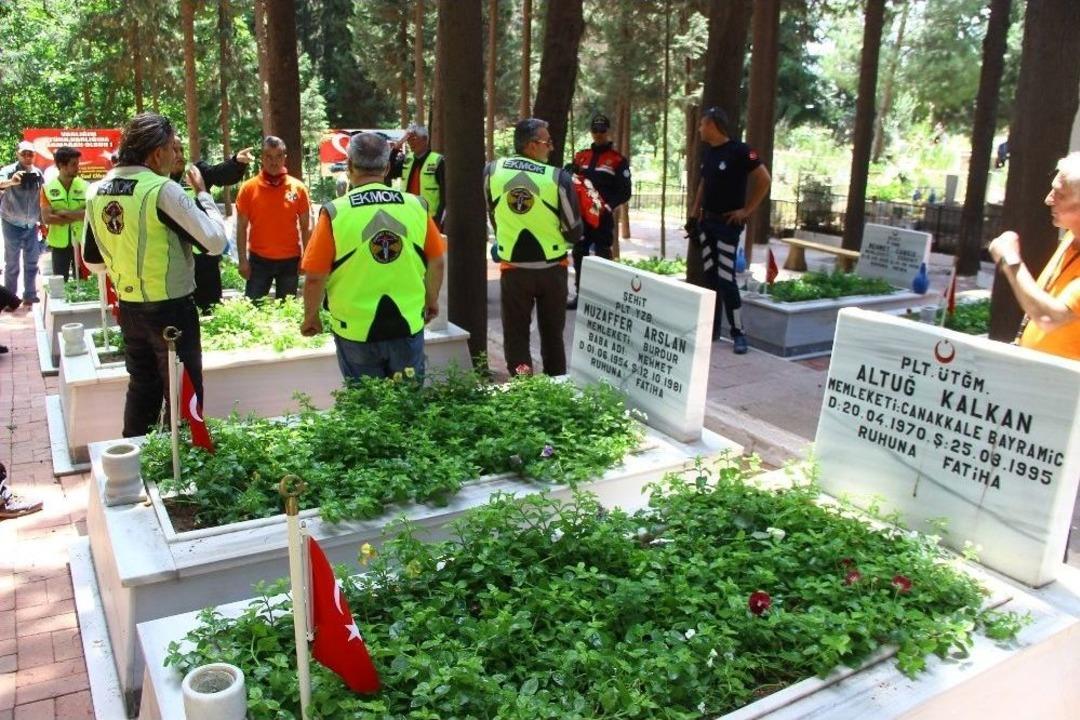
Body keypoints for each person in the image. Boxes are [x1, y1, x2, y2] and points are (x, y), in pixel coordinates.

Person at [82, 112, 227, 438]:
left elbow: (93, 261)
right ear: (156, 152)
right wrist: (203, 195)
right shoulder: (161, 190)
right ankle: (186, 462)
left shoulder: (96, 191)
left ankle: (133, 455)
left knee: (141, 385)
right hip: (171, 311)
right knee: (184, 389)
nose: (175, 155)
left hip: (129, 308)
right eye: (170, 147)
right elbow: (216, 242)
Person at [300, 132, 444, 380]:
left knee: (366, 409)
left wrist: (310, 317)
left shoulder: (335, 212)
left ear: (348, 167)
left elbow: (315, 276)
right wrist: (431, 300)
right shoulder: (417, 206)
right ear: (387, 167)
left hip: (355, 330)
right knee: (408, 406)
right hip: (407, 324)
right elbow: (437, 262)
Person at [485, 117, 583, 376]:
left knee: (515, 335)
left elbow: (494, 213)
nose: (551, 147)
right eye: (547, 142)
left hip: (513, 269)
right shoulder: (556, 177)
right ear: (531, 146)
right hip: (552, 269)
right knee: (552, 335)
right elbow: (574, 230)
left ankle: (523, 389)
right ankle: (556, 388)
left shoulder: (492, 171)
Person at [687, 106, 771, 354]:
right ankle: (709, 330)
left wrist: (747, 210)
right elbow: (703, 184)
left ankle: (738, 333)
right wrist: (694, 215)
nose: (700, 128)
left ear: (713, 125)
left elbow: (764, 179)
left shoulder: (741, 151)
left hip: (727, 226)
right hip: (707, 223)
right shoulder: (709, 153)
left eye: (702, 124)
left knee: (726, 279)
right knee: (710, 277)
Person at [989, 151, 1080, 360]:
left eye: (1060, 194)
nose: (1048, 200)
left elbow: (1049, 317)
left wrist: (1010, 260)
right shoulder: (1071, 237)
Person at [169, 137, 254, 311]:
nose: (178, 155)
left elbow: (219, 173)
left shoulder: (194, 171)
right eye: (173, 150)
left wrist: (236, 162)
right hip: (175, 259)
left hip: (204, 254)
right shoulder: (156, 179)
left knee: (210, 308)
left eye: (181, 150)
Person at [566, 113, 631, 309]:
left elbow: (625, 191)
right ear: (591, 132)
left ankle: (604, 299)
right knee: (579, 253)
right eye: (595, 130)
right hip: (582, 216)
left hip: (602, 217)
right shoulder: (581, 156)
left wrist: (608, 207)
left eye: (602, 130)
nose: (598, 134)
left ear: (608, 131)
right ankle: (580, 295)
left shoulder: (617, 160)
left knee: (603, 254)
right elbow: (573, 182)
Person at [235, 136, 311, 300]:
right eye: (269, 156)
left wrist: (306, 257)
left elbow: (307, 226)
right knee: (253, 307)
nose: (274, 161)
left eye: (278, 156)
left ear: (285, 158)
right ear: (262, 158)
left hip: (290, 261)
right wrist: (242, 260)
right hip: (259, 261)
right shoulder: (248, 188)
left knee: (287, 312)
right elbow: (241, 227)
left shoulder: (298, 188)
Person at [1, 141, 45, 305]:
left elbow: (42, 197)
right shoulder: (8, 171)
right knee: (12, 263)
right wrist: (12, 182)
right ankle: (9, 298)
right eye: (24, 153)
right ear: (17, 154)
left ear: (34, 156)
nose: (27, 157)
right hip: (11, 222)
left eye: (30, 154)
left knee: (32, 261)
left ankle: (30, 295)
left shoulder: (38, 173)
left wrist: (42, 221)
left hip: (31, 223)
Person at [40, 146, 88, 282]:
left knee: (84, 282)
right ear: (61, 165)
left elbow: (88, 215)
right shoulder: (47, 188)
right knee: (60, 284)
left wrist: (63, 213)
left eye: (77, 164)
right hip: (59, 245)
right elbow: (47, 218)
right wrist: (76, 215)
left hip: (81, 243)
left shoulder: (86, 186)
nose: (77, 167)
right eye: (74, 164)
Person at [386, 124, 446, 230]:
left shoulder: (438, 161)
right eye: (408, 139)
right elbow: (388, 173)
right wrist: (396, 149)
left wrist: (439, 218)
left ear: (425, 139)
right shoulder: (407, 160)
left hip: (430, 218)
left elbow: (444, 194)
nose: (410, 142)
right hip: (408, 215)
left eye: (413, 138)